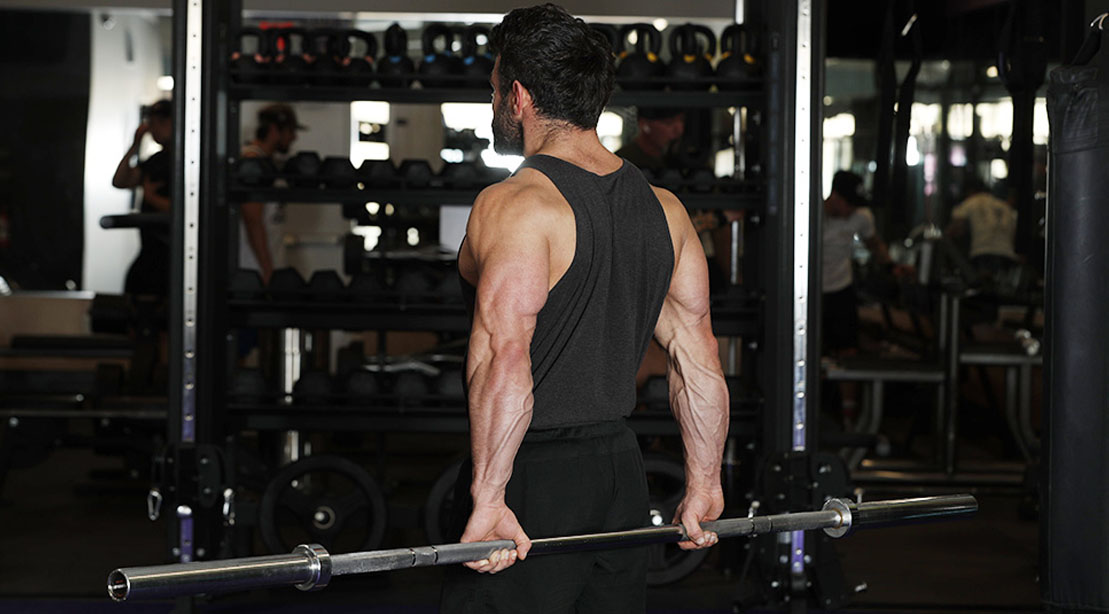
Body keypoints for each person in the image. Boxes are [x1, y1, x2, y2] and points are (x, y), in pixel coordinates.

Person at [440, 5, 729, 612]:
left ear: (518, 96)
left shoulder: (516, 204)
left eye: (493, 90)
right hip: (620, 474)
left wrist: (489, 496)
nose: (493, 104)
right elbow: (697, 356)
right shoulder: (665, 209)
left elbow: (503, 357)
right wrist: (705, 481)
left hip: (530, 473)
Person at [821, 170, 896, 357]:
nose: (852, 209)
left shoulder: (861, 216)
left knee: (847, 349)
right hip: (813, 291)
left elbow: (874, 244)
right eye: (849, 204)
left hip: (841, 289)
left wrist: (891, 267)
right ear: (835, 196)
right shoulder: (813, 215)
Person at [112, 99, 173, 297]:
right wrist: (135, 144)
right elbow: (120, 181)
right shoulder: (157, 160)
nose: (153, 129)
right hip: (149, 250)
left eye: (159, 123)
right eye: (151, 123)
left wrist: (151, 197)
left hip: (170, 252)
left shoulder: (186, 161)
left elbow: (185, 210)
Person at [240, 103, 303, 282]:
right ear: (275, 130)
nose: (294, 137)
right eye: (290, 131)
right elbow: (252, 220)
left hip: (270, 264)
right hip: (253, 270)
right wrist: (267, 270)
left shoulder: (267, 163)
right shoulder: (252, 163)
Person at [945, 176, 1018, 279]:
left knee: (984, 283)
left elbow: (956, 228)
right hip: (1007, 254)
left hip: (982, 251)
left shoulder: (970, 203)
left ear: (969, 191)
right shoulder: (1003, 206)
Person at [615, 107, 685, 172]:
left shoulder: (678, 158)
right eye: (668, 123)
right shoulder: (622, 162)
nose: (679, 130)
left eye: (681, 121)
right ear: (645, 125)